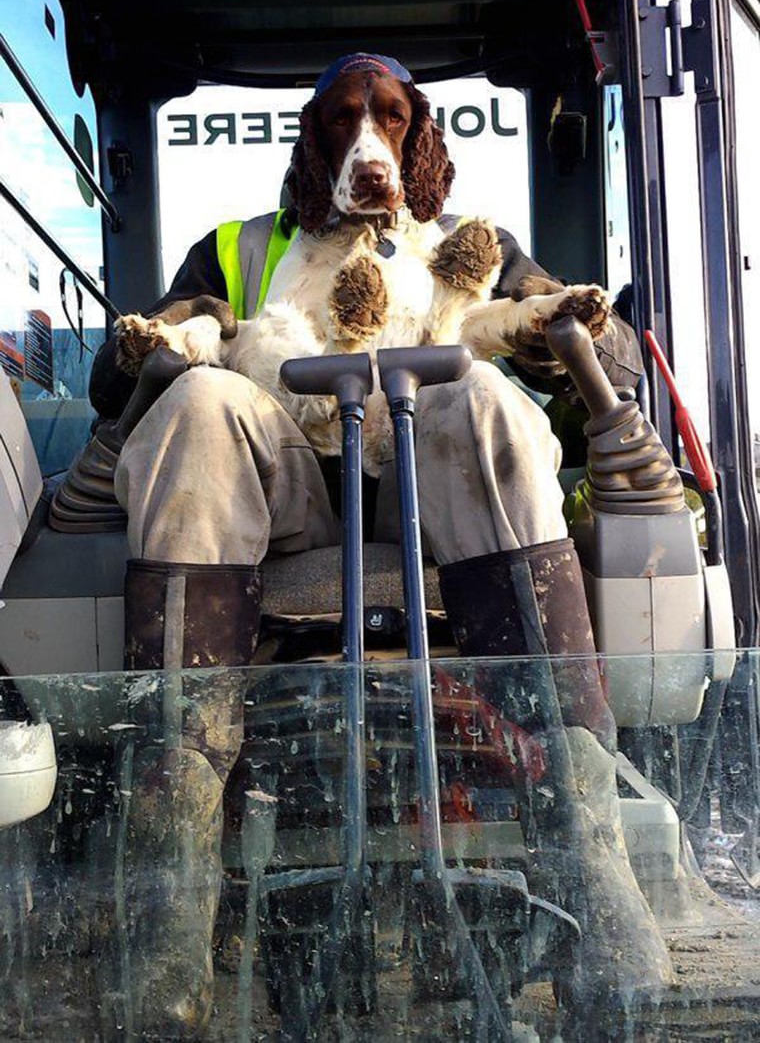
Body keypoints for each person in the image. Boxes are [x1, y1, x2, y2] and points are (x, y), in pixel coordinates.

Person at [84, 54, 669, 1036]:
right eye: (345, 125)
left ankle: (590, 864)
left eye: (389, 122)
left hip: (433, 501)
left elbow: (604, 359)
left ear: (416, 136)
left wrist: (549, 326)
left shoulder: (470, 247)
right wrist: (170, 337)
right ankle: (169, 914)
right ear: (313, 144)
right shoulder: (235, 250)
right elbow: (123, 377)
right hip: (281, 512)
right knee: (198, 400)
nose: (367, 145)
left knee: (480, 396)